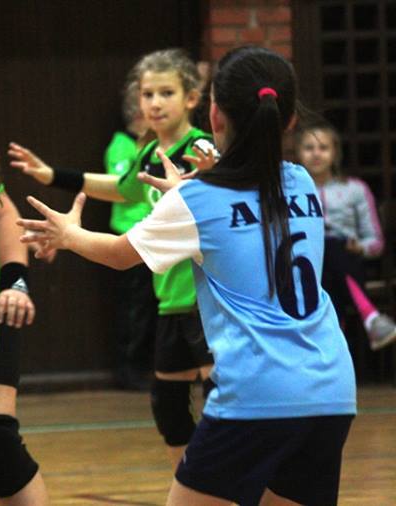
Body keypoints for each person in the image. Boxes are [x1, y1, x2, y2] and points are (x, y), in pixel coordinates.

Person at [19, 44, 357, 506]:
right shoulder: (301, 181)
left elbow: (120, 254)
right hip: (332, 388)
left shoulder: (197, 200)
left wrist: (69, 234)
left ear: (213, 114)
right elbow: (248, 207)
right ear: (291, 121)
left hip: (258, 391)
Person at [8, 48, 217, 467]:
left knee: (222, 405)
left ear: (192, 98)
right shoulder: (147, 153)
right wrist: (53, 176)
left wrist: (215, 173)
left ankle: (224, 480)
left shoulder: (203, 150)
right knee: (169, 406)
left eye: (166, 93)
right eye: (147, 94)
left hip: (207, 301)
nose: (154, 103)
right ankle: (196, 481)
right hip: (171, 299)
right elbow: (123, 187)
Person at [295, 122, 396, 351]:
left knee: (334, 249)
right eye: (309, 147)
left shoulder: (356, 189)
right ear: (299, 153)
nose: (316, 154)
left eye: (323, 147)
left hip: (348, 260)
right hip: (305, 262)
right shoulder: (291, 191)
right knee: (326, 254)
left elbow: (376, 242)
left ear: (335, 153)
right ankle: (370, 316)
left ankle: (330, 347)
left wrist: (359, 247)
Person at [106, 76, 156, 391]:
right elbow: (124, 188)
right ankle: (128, 368)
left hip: (156, 238)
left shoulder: (158, 146)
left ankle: (149, 364)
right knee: (132, 308)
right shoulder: (121, 145)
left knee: (153, 307)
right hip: (128, 237)